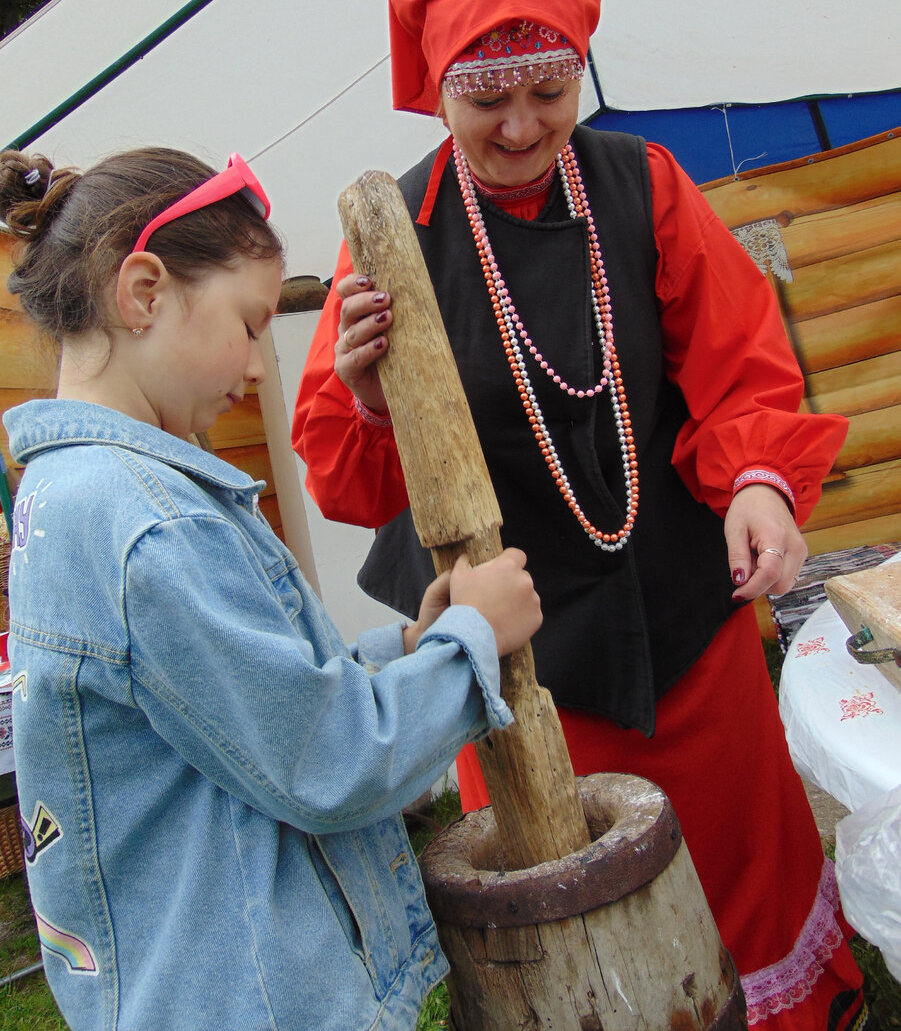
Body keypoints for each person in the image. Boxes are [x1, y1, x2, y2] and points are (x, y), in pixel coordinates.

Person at [293, 0, 871, 1029]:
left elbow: (739, 362)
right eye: (486, 98)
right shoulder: (391, 231)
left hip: (687, 623)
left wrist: (756, 479)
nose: (520, 126)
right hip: (516, 672)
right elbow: (349, 486)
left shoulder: (641, 183)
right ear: (438, 90)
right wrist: (370, 401)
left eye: (548, 90)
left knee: (740, 867)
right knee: (569, 921)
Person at [0, 145, 542, 1031]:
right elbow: (323, 759)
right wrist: (468, 647)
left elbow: (230, 701)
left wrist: (407, 646)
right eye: (250, 324)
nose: (258, 368)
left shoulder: (71, 498)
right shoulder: (147, 524)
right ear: (142, 292)